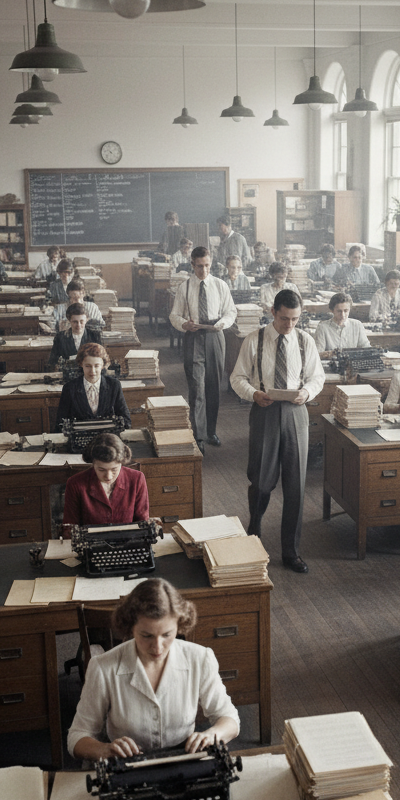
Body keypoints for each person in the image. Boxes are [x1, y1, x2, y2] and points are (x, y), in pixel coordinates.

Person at [68, 579, 239, 760]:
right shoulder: (103, 667)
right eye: (146, 636)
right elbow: (77, 736)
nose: (157, 647)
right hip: (125, 762)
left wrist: (211, 735)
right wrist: (105, 750)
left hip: (184, 757)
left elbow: (229, 719)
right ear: (130, 627)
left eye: (167, 635)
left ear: (179, 625)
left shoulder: (200, 658)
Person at [231, 290, 325, 574]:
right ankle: (255, 524)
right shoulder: (254, 340)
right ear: (273, 312)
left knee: (295, 485)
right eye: (284, 318)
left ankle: (291, 551)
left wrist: (306, 392)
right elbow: (237, 378)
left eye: (295, 319)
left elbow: (317, 377)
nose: (289, 325)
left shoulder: (305, 340)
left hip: (296, 414)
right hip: (265, 411)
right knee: (261, 480)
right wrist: (254, 394)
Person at [169, 246, 235, 448]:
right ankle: (198, 438)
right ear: (192, 265)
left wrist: (222, 324)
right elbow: (174, 315)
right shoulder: (185, 287)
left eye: (207, 266)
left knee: (214, 387)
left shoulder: (220, 285)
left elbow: (230, 312)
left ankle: (211, 432)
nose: (203, 270)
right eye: (199, 266)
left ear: (211, 263)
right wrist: (184, 325)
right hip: (194, 337)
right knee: (197, 389)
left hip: (215, 337)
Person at [63, 433, 149, 538]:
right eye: (101, 469)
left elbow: (142, 523)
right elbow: (70, 529)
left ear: (122, 463)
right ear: (93, 463)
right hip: (90, 546)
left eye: (114, 469)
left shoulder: (137, 479)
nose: (108, 476)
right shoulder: (75, 484)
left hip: (129, 543)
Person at [57, 343, 131, 428]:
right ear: (81, 364)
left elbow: (126, 420)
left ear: (103, 365)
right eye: (88, 366)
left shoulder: (114, 385)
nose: (92, 371)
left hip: (107, 436)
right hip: (80, 435)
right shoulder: (69, 388)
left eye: (96, 366)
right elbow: (60, 423)